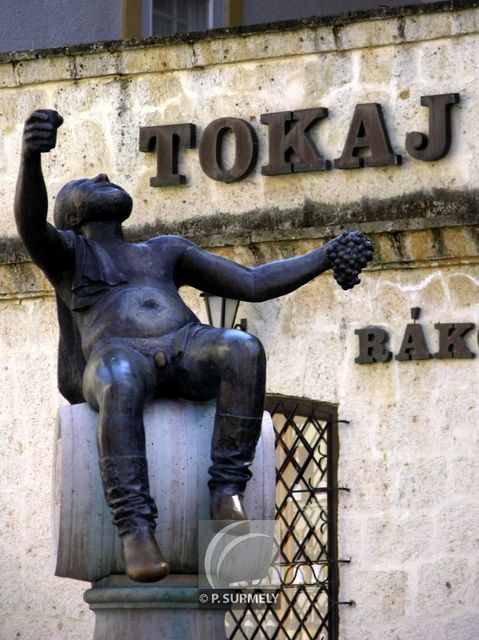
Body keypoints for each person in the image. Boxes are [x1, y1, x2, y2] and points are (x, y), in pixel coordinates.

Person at [15, 110, 373, 583]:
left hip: (186, 345)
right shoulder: (70, 254)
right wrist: (30, 157)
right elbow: (30, 223)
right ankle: (136, 530)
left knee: (241, 347)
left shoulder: (165, 250)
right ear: (72, 214)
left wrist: (324, 255)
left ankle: (226, 493)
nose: (102, 175)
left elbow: (253, 282)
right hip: (118, 352)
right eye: (86, 181)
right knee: (118, 381)